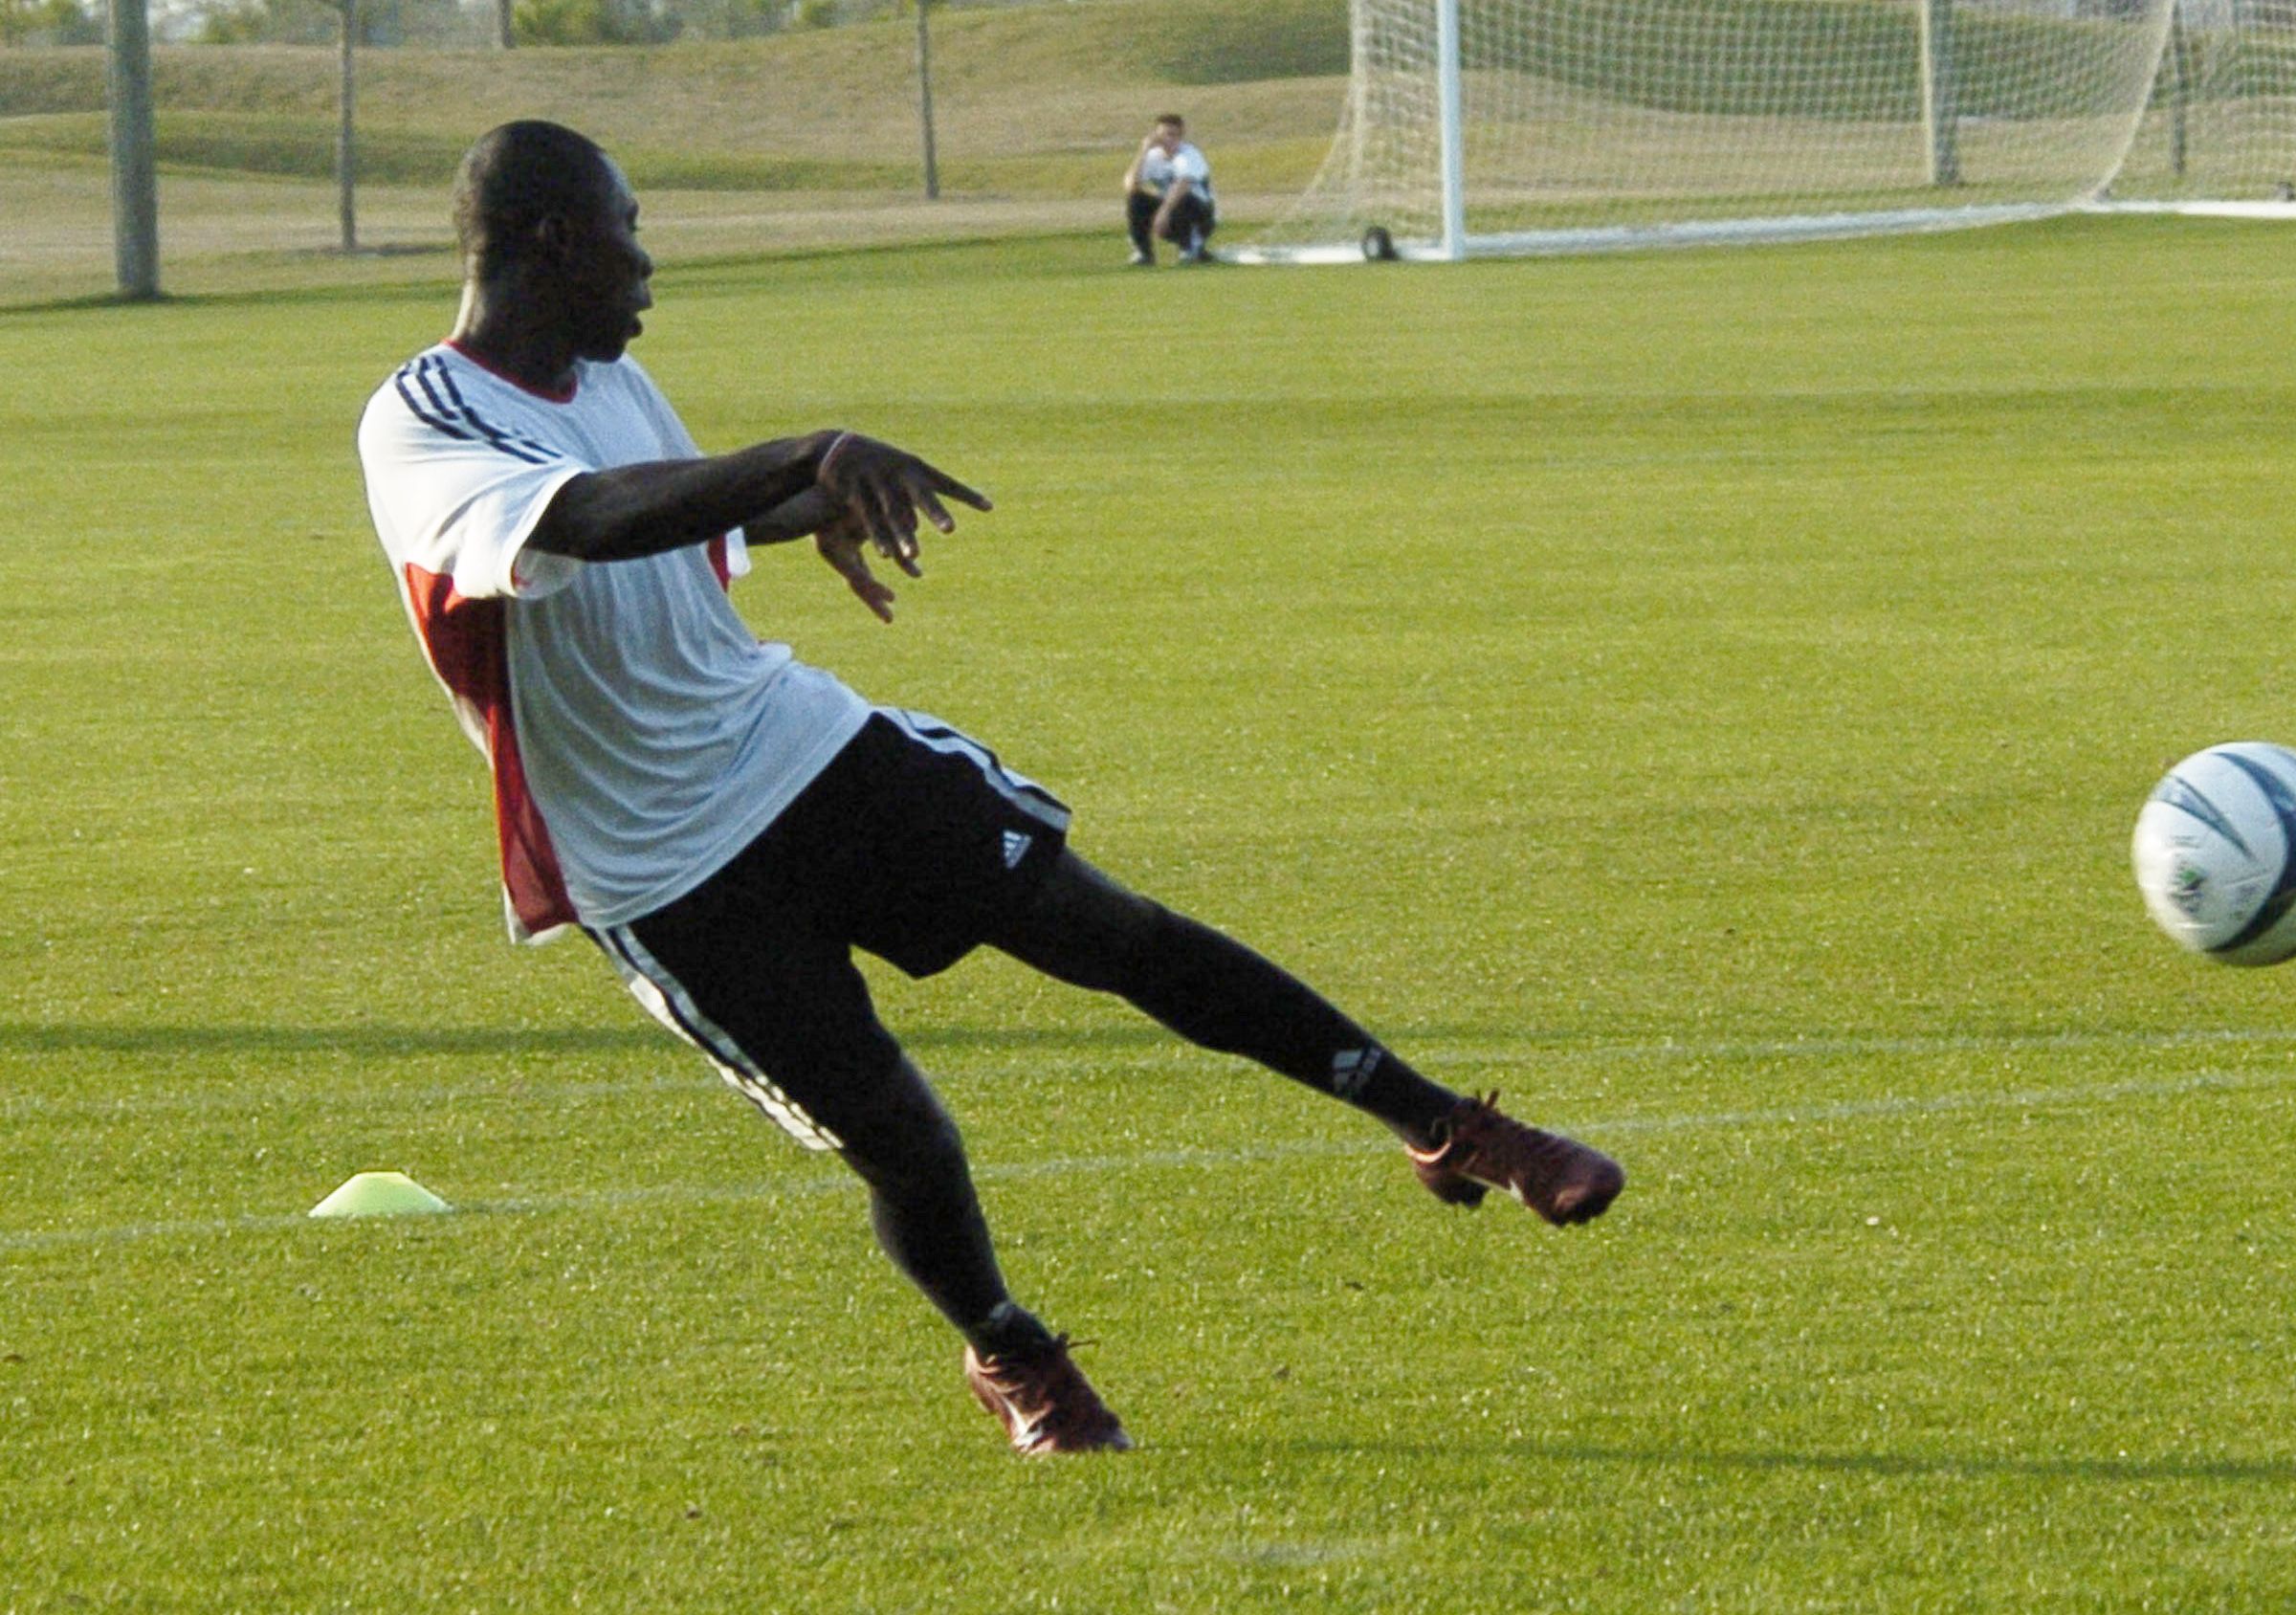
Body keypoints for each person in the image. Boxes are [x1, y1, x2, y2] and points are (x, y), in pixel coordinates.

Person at [355, 121, 1624, 1457]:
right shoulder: (425, 415)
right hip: (660, 863)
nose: (647, 260)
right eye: (627, 227)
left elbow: (673, 515)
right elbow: (578, 520)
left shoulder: (614, 379)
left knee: (1112, 934)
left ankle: (1444, 1126)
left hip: (795, 749)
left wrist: (802, 508)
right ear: (555, 240)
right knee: (898, 1133)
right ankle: (1015, 1357)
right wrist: (801, 452)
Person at [1123, 114, 1216, 267]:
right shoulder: (1153, 157)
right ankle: (1143, 253)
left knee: (1181, 197)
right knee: (1135, 198)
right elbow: (1130, 185)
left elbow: (1183, 184)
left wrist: (1163, 212)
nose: (1169, 140)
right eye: (1165, 135)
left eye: (1174, 135)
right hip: (1171, 215)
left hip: (1200, 216)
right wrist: (1143, 151)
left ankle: (1190, 249)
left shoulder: (1189, 154)